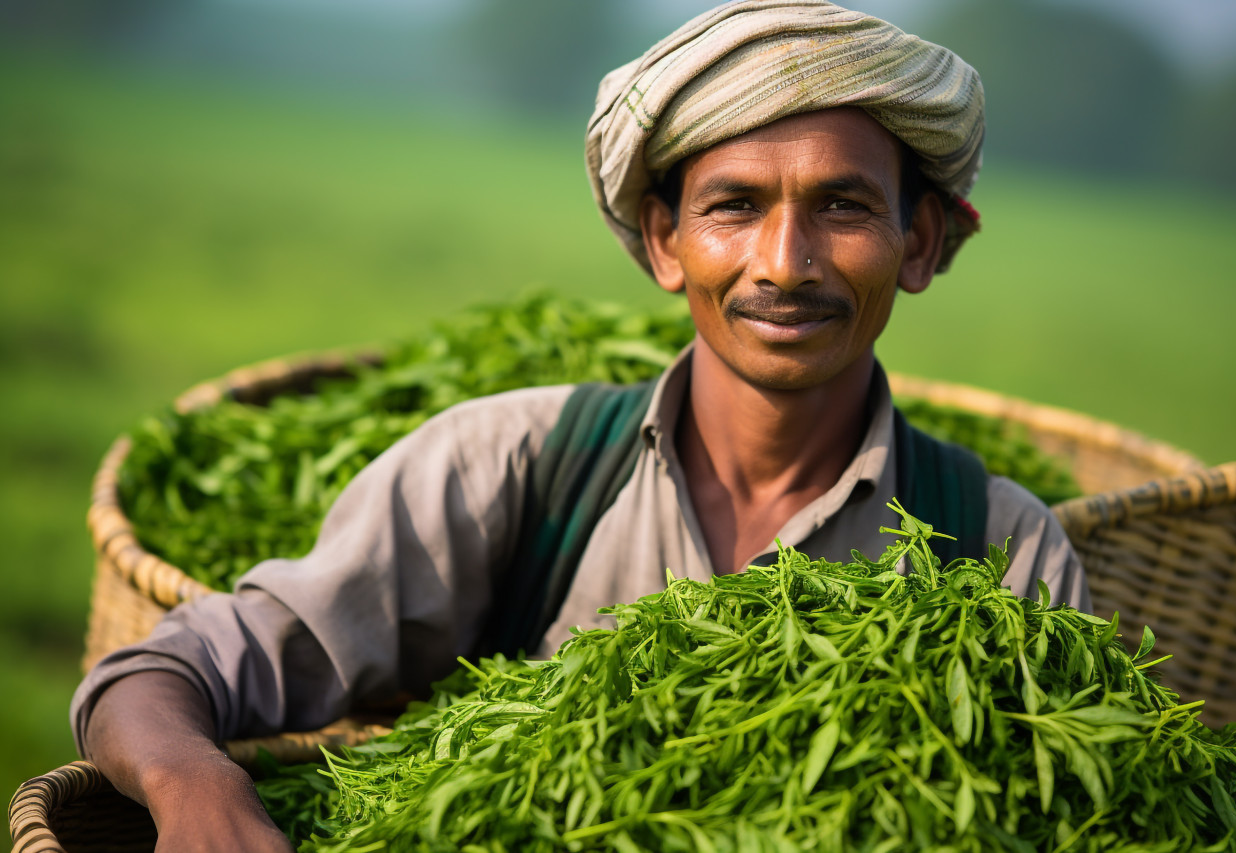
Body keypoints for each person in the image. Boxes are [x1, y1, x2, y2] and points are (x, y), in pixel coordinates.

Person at [71, 1, 1088, 849]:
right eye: (732, 206)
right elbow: (159, 673)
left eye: (841, 208)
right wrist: (195, 782)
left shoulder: (998, 549)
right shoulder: (514, 467)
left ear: (918, 241)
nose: (783, 262)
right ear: (663, 240)